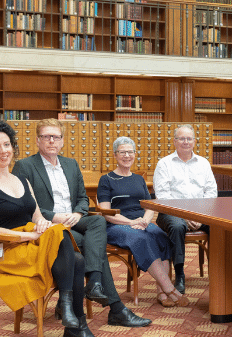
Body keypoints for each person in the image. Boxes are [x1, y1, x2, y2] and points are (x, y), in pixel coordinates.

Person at [12, 118, 151, 328]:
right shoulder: (25, 166)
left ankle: (94, 284)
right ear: (38, 140)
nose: (51, 141)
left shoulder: (70, 164)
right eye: (46, 136)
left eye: (56, 137)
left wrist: (78, 213)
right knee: (89, 247)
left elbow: (83, 198)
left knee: (97, 222)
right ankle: (115, 307)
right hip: (50, 226)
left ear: (62, 141)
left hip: (73, 219)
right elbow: (25, 204)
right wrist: (54, 216)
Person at [0, 118, 92, 337]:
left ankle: (72, 318)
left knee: (76, 256)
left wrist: (42, 223)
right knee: (66, 243)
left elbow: (36, 215)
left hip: (31, 244)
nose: (3, 151)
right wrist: (28, 237)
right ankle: (75, 321)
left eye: (7, 144)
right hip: (5, 252)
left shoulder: (21, 180)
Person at [97, 136, 188, 307]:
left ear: (135, 154)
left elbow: (149, 206)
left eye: (130, 152)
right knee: (141, 239)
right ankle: (170, 289)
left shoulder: (139, 179)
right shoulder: (106, 179)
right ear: (115, 155)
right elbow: (106, 212)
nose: (127, 156)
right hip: (117, 225)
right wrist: (131, 223)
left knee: (162, 236)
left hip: (141, 222)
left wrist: (145, 221)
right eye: (122, 152)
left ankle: (161, 293)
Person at [154, 124, 216, 294]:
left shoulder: (203, 163)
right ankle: (179, 273)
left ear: (194, 142)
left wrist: (199, 215)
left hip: (200, 213)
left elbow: (211, 192)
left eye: (189, 138)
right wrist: (185, 215)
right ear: (174, 141)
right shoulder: (164, 164)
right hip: (171, 212)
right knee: (177, 226)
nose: (186, 142)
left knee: (219, 227)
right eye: (182, 138)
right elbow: (163, 196)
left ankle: (219, 271)